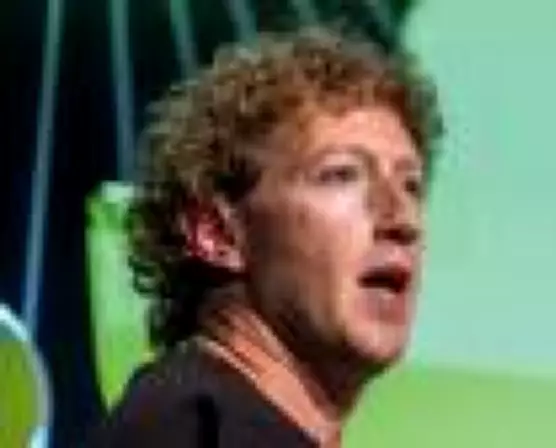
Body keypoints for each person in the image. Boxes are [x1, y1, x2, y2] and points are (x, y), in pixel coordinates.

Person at [90, 26, 442, 447]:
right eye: (341, 174)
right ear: (215, 233)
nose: (402, 220)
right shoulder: (188, 430)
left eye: (411, 186)